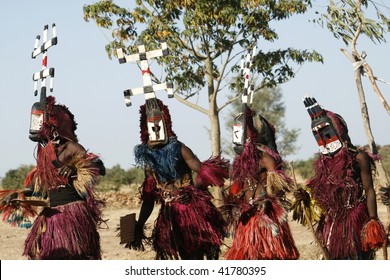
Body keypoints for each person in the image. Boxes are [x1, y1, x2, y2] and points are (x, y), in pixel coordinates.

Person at [121, 98, 229, 260]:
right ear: (146, 129)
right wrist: (139, 224)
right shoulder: (149, 161)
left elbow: (206, 172)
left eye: (158, 125)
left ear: (166, 124)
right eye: (151, 126)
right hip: (168, 214)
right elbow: (149, 198)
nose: (156, 129)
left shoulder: (180, 149)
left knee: (194, 254)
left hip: (190, 209)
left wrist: (192, 192)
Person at [0, 95, 106, 259]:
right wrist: (16, 195)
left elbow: (98, 167)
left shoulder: (72, 148)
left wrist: (75, 169)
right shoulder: (44, 153)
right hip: (52, 216)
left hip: (73, 215)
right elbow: (33, 187)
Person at [293, 96, 386, 260]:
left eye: (326, 133)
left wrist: (373, 221)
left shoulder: (359, 157)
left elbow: (369, 190)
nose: (323, 140)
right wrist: (307, 198)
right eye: (317, 136)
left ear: (338, 131)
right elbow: (321, 196)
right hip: (333, 224)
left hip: (356, 223)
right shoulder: (324, 164)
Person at [220, 106, 299, 260]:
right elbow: (235, 192)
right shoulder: (238, 163)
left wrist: (268, 201)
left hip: (267, 222)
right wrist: (235, 208)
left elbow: (279, 189)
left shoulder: (265, 158)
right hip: (247, 222)